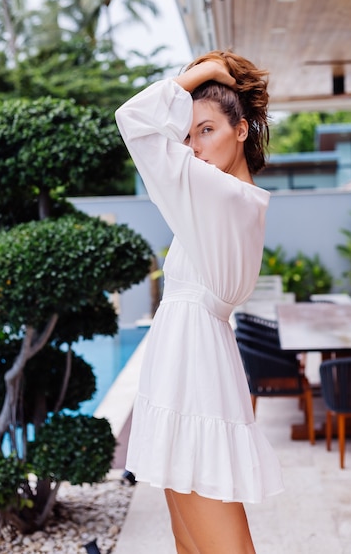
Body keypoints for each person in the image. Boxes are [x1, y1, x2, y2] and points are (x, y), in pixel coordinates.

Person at [115, 50, 284, 553]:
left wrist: (200, 76)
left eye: (206, 130)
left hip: (194, 375)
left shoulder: (223, 197)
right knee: (187, 543)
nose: (193, 146)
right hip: (184, 365)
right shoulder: (222, 198)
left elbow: (134, 120)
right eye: (188, 136)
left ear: (243, 130)